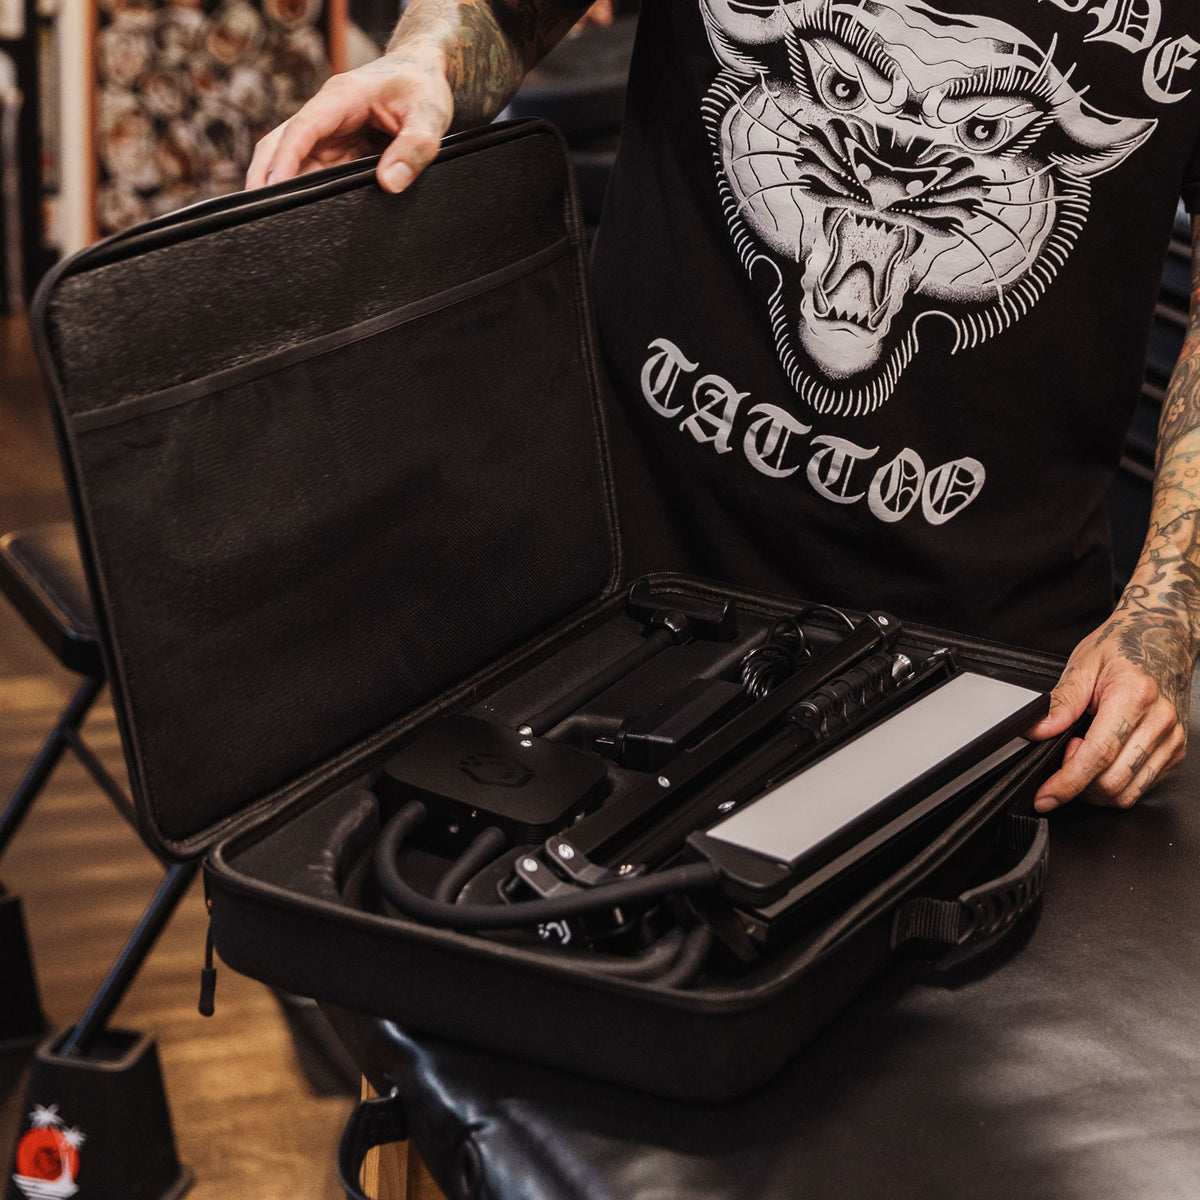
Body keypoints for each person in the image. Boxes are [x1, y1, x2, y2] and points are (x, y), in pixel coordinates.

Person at [247, 0, 1200, 816]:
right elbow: (504, 13)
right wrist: (427, 62)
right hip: (616, 595)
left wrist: (1166, 611)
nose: (894, 162)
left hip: (982, 664)